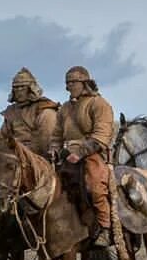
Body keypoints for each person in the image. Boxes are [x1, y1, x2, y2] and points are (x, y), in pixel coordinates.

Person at [49, 66, 115, 248]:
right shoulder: (65, 108)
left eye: (72, 82)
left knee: (95, 187)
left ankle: (105, 228)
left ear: (84, 83)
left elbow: (102, 135)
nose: (68, 87)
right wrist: (54, 149)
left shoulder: (99, 104)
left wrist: (79, 153)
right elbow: (56, 134)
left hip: (93, 155)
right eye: (67, 83)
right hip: (67, 155)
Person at [0, 68, 59, 158]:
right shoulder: (11, 112)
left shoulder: (44, 108)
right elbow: (3, 138)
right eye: (16, 87)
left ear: (31, 88)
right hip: (14, 156)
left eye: (22, 87)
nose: (18, 90)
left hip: (39, 157)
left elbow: (46, 140)